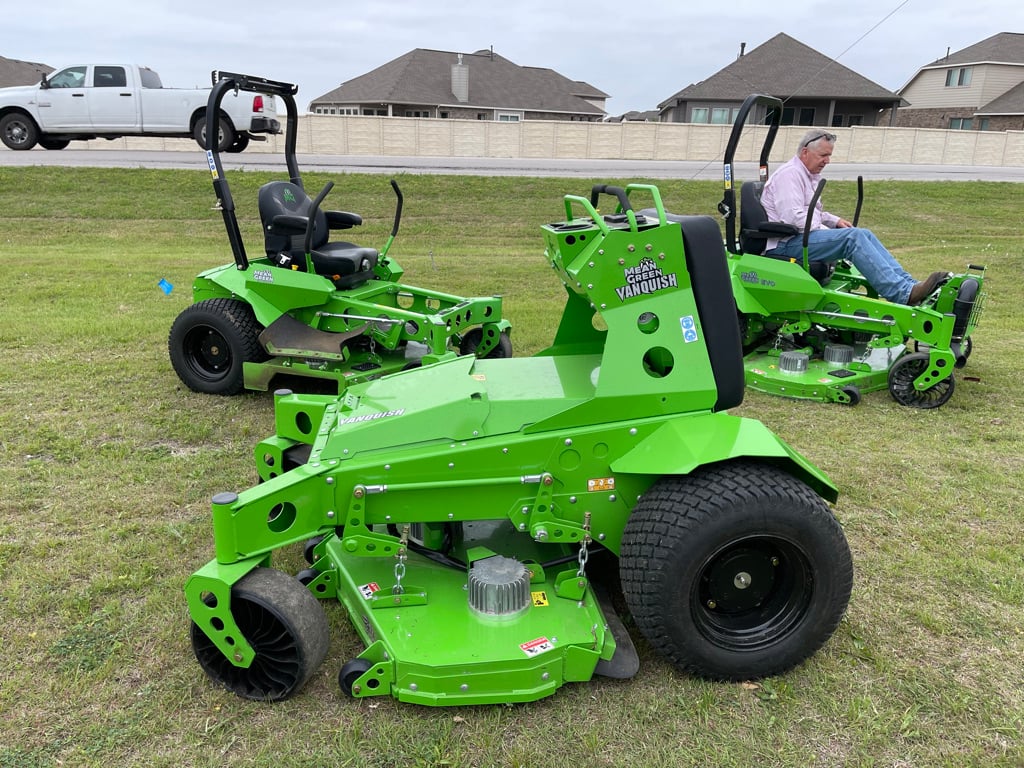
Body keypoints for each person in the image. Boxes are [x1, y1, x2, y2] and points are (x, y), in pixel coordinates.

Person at [760, 129, 948, 305]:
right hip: (784, 244)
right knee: (852, 238)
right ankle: (902, 293)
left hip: (799, 237)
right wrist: (828, 230)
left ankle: (909, 285)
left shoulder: (806, 175)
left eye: (829, 156)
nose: (827, 161)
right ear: (805, 152)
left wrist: (834, 221)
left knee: (861, 233)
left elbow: (811, 212)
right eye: (823, 156)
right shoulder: (789, 175)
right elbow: (794, 219)